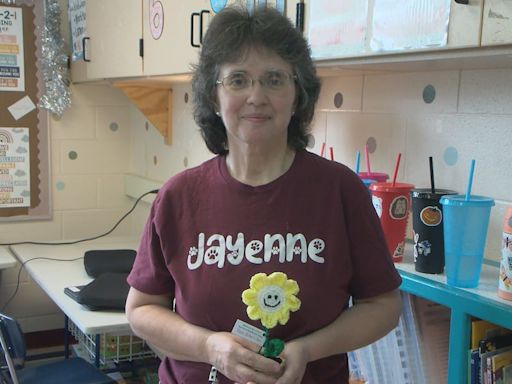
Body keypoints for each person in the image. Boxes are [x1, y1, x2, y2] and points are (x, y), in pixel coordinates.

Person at [125, 5, 402, 384]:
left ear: (297, 92)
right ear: (214, 94)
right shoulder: (178, 197)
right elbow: (141, 309)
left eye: (274, 79)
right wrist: (210, 348)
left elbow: (383, 306)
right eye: (238, 80)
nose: (256, 96)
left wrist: (309, 349)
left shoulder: (341, 192)